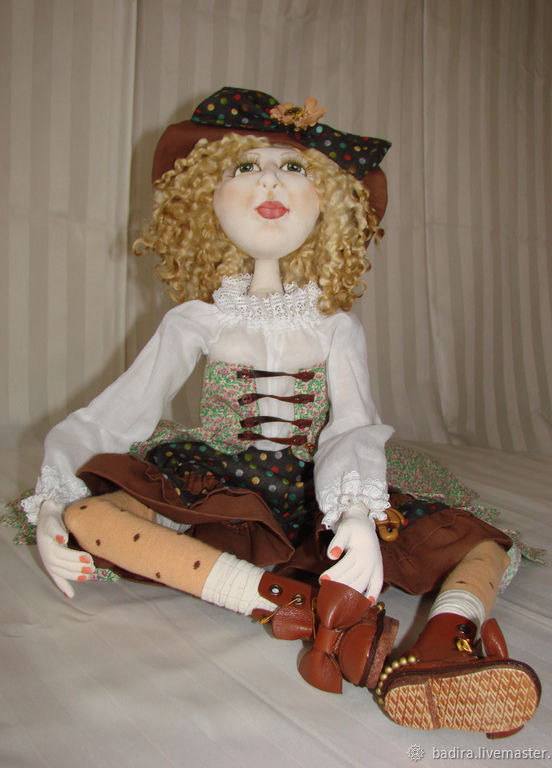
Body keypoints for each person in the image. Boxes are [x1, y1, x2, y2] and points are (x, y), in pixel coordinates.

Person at [21, 88, 539, 735]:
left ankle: (446, 638)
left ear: (328, 202)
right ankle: (290, 605)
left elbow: (351, 425)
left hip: (314, 489)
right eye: (246, 166)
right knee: (88, 514)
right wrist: (54, 498)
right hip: (219, 486)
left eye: (293, 167)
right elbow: (116, 414)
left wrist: (354, 511)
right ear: (205, 199)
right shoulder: (197, 320)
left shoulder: (334, 326)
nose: (269, 181)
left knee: (480, 543)